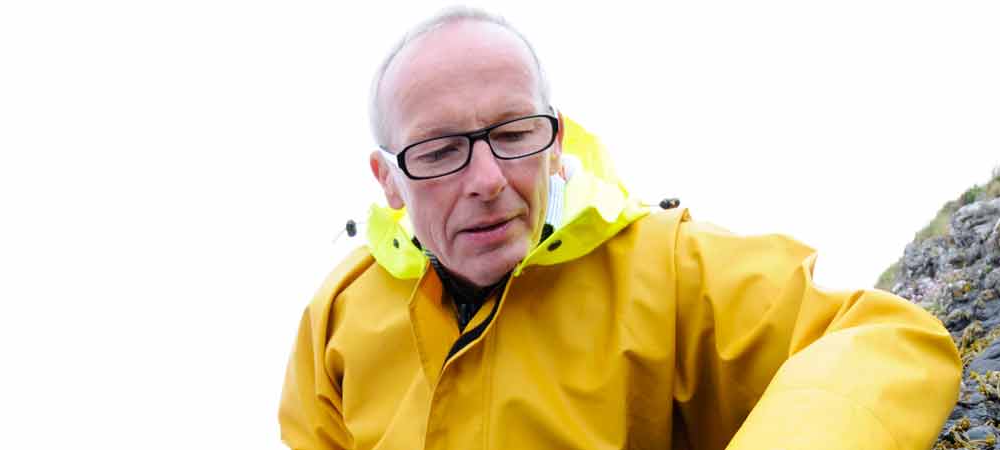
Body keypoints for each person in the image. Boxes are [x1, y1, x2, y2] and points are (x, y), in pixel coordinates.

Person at [278, 8, 962, 449]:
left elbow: (883, 339)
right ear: (388, 178)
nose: (486, 179)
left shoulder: (661, 265)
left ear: (554, 141)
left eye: (514, 133)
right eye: (438, 151)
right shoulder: (337, 318)